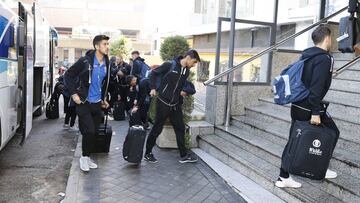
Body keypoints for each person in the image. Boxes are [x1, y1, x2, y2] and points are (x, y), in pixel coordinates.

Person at [275, 26, 340, 188]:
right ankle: (292, 174)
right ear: (327, 39)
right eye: (331, 38)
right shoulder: (324, 58)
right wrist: (315, 112)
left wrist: (328, 73)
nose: (331, 41)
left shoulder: (309, 54)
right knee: (332, 132)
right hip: (309, 106)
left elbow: (309, 77)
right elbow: (316, 88)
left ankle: (284, 176)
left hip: (298, 105)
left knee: (294, 139)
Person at [64, 35, 111, 172]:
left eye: (108, 44)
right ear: (96, 46)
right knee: (89, 131)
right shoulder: (85, 61)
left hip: (97, 103)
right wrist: (74, 94)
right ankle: (83, 158)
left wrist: (104, 99)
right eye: (104, 44)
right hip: (83, 102)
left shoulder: (107, 63)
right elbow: (68, 75)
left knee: (94, 132)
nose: (107, 46)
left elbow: (104, 83)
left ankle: (87, 156)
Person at [144, 49, 200, 164]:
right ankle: (148, 153)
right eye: (194, 62)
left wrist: (184, 91)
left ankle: (184, 156)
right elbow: (153, 73)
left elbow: (181, 85)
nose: (194, 65)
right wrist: (153, 88)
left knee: (180, 128)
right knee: (157, 129)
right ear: (188, 58)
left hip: (175, 104)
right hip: (163, 102)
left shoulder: (186, 71)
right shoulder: (170, 65)